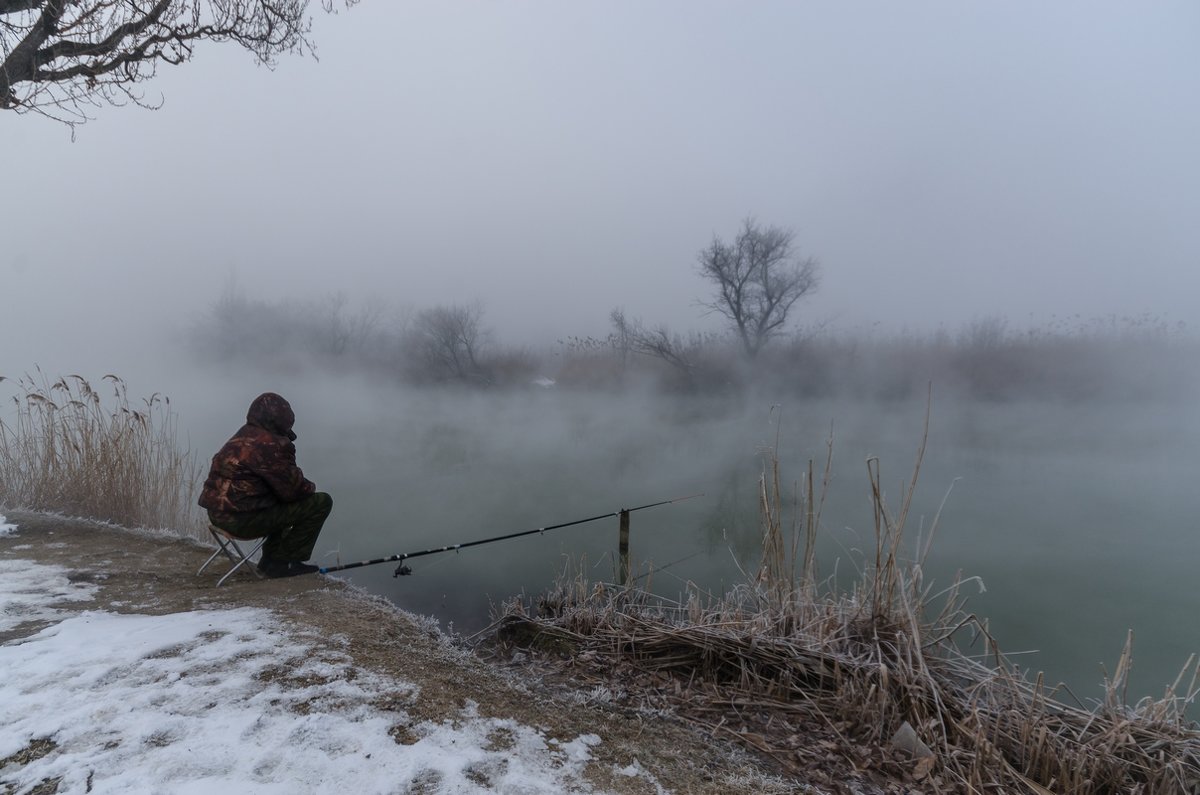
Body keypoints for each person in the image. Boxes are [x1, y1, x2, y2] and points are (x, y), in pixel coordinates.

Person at [199, 392, 332, 578]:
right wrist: (310, 487)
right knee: (322, 502)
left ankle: (270, 561)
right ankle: (284, 562)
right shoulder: (270, 445)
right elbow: (294, 490)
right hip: (241, 522)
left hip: (217, 515)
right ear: (282, 420)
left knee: (277, 501)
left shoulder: (241, 436)